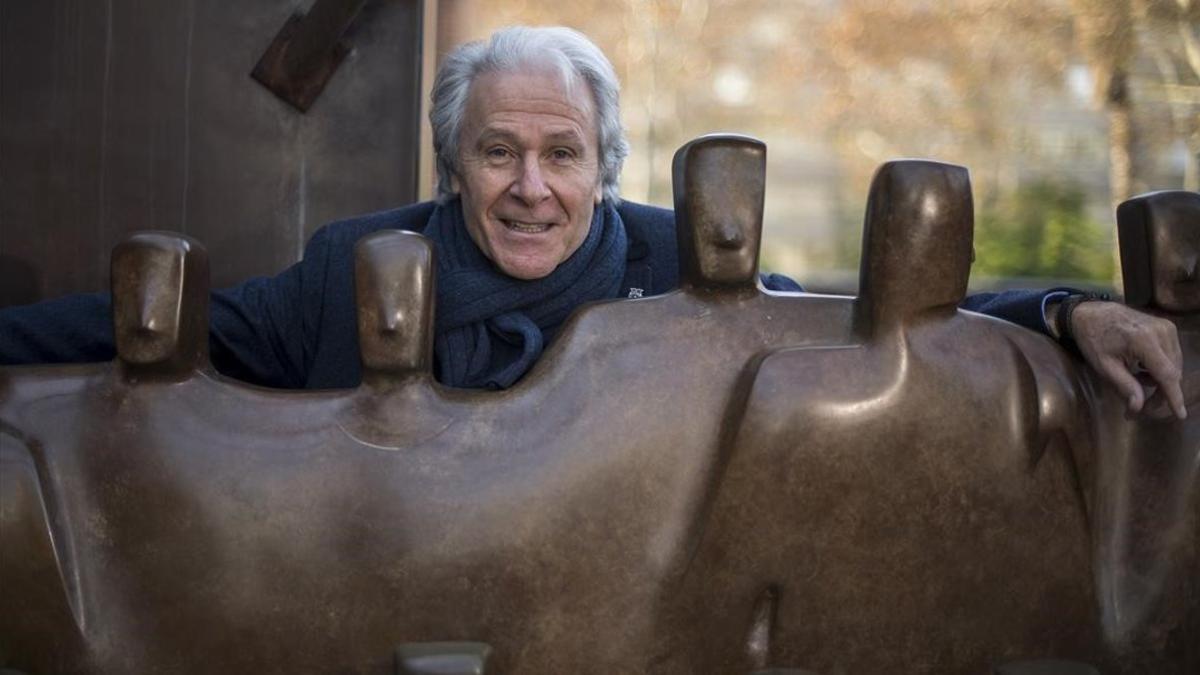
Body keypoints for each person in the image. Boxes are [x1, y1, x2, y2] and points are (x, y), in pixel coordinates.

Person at [0, 26, 1186, 418]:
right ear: (451, 165)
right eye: (497, 152)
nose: (530, 187)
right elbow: (127, 327)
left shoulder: (686, 263)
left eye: (561, 155)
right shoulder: (347, 268)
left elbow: (871, 312)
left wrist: (1069, 309)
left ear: (606, 166)